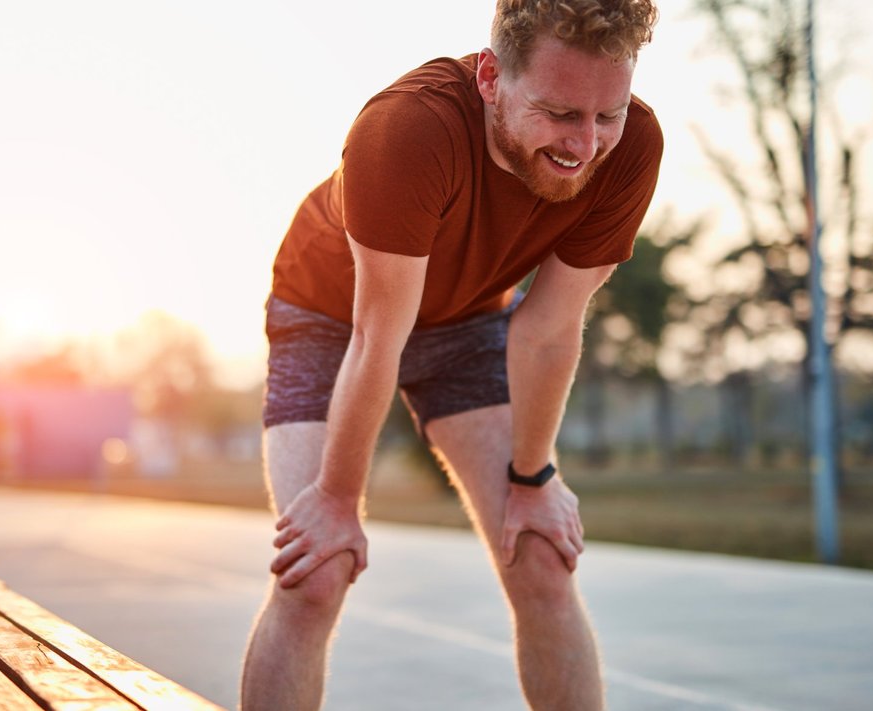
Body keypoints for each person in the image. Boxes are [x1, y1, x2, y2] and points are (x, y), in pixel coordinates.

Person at [241, 1, 662, 708]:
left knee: (542, 559)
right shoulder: (407, 129)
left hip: (464, 317)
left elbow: (549, 328)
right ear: (491, 78)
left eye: (606, 115)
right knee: (316, 569)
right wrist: (339, 503)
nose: (585, 145)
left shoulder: (634, 149)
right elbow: (379, 334)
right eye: (561, 113)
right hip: (331, 314)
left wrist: (534, 478)